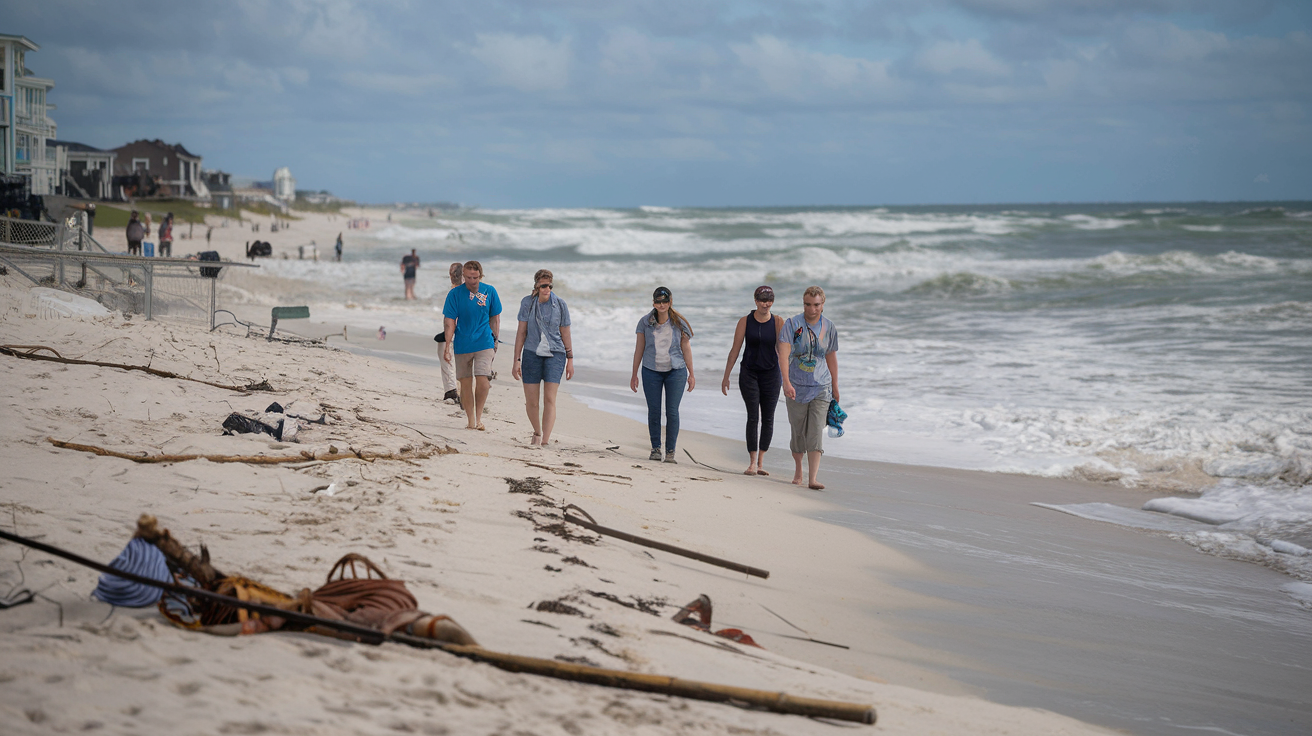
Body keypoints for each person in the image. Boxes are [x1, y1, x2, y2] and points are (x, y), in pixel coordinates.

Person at [778, 286, 839, 490]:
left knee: (816, 430)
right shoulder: (792, 324)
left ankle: (813, 478)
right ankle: (798, 469)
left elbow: (831, 356)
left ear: (823, 304)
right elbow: (783, 354)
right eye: (808, 304)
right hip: (796, 385)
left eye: (816, 305)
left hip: (822, 386)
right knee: (798, 430)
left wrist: (835, 385)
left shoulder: (829, 327)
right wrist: (786, 382)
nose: (812, 309)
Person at [721, 285, 784, 476]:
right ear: (756, 301)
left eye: (769, 300)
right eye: (763, 300)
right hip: (749, 373)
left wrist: (789, 379)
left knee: (768, 417)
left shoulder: (778, 322)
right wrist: (726, 376)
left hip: (772, 375)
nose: (766, 304)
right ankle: (752, 462)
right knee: (753, 416)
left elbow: (784, 352)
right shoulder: (745, 321)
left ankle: (761, 463)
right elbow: (735, 350)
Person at [630, 286, 695, 463]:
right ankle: (656, 449)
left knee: (672, 412)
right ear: (653, 303)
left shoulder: (679, 322)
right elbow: (639, 349)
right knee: (654, 411)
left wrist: (691, 373)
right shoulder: (645, 322)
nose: (661, 304)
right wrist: (634, 373)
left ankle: (670, 451)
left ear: (670, 302)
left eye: (665, 301)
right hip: (651, 370)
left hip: (676, 371)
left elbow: (686, 348)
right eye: (658, 301)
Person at [512, 269, 574, 447]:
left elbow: (565, 332)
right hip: (531, 353)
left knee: (549, 399)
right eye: (544, 286)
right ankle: (537, 432)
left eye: (550, 286)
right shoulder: (527, 303)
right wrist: (516, 360)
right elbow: (521, 332)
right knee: (532, 401)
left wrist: (570, 359)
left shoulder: (560, 304)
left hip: (556, 354)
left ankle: (545, 440)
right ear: (537, 286)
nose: (547, 289)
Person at [442, 260, 501, 430]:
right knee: (465, 383)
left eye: (475, 278)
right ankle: (470, 420)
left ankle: (479, 417)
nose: (471, 281)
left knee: (483, 380)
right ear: (463, 276)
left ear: (480, 276)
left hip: (484, 341)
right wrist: (447, 346)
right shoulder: (455, 294)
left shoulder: (490, 291)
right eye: (468, 277)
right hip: (463, 343)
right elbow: (449, 321)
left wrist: (495, 340)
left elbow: (495, 318)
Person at [439, 262, 463, 404]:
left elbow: (449, 319)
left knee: (447, 356)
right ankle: (459, 391)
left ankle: (451, 390)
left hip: (456, 331)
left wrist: (448, 342)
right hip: (468, 332)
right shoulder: (470, 291)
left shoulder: (454, 292)